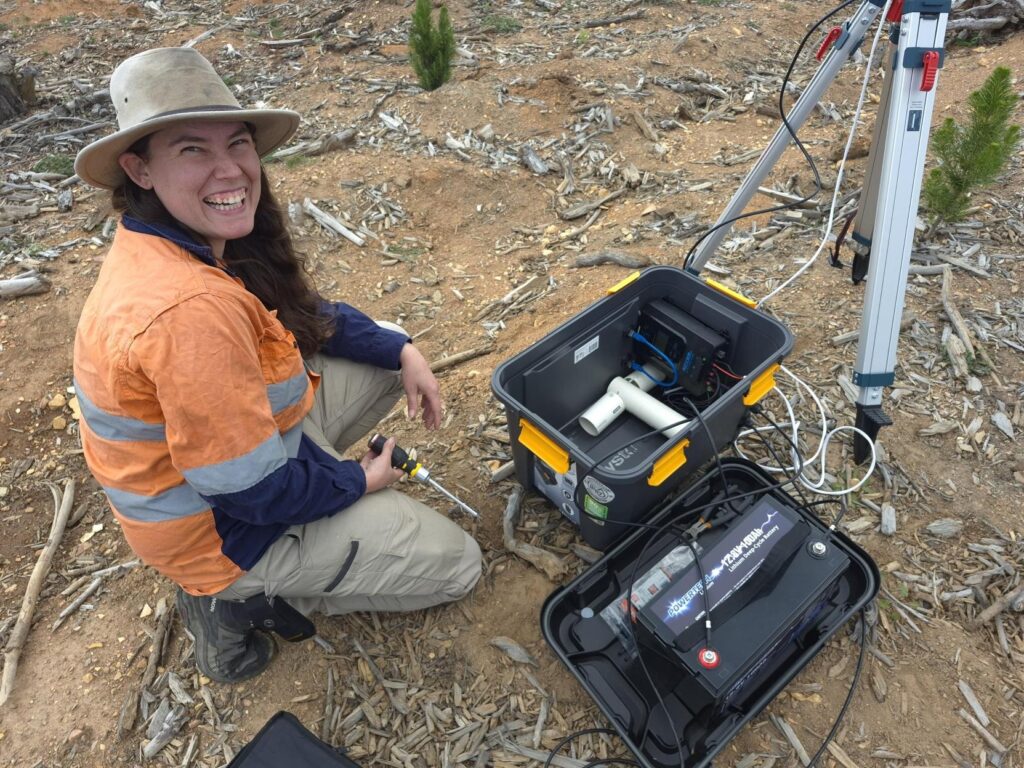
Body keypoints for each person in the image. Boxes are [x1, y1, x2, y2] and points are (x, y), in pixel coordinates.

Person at [72, 47, 482, 683]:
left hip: (247, 455)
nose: (229, 169)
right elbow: (253, 492)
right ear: (139, 169)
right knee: (460, 566)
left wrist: (402, 351)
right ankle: (237, 600)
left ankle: (316, 500)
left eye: (236, 143)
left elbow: (302, 315)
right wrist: (359, 484)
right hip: (227, 531)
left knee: (383, 346)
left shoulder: (176, 238)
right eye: (192, 151)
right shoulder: (187, 311)